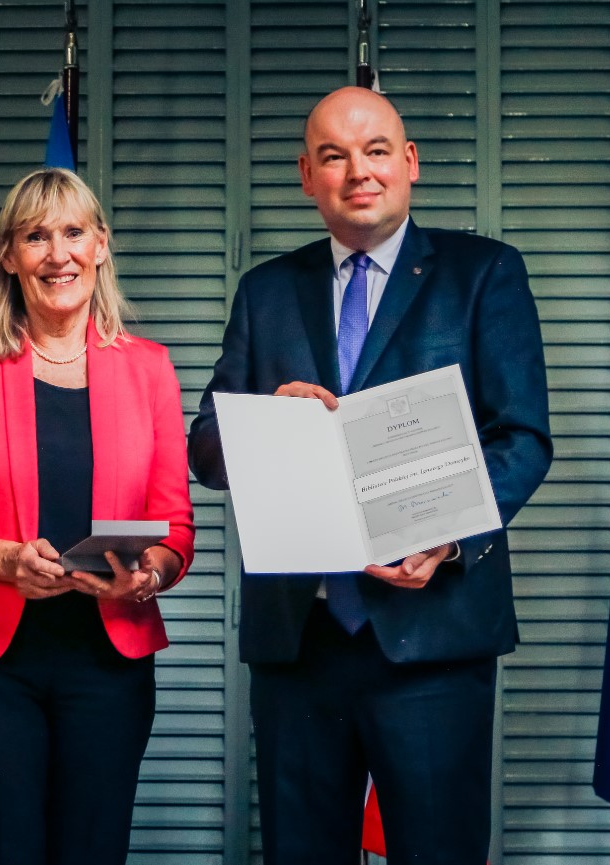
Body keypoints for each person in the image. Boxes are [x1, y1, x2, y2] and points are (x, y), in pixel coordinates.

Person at [189, 86, 553, 864]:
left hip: (434, 634)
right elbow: (206, 450)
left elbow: (521, 437)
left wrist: (446, 537)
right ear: (307, 176)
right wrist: (265, 420)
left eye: (376, 150)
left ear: (409, 161)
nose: (358, 171)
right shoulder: (265, 291)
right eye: (333, 155)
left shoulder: (483, 273)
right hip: (299, 641)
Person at [0, 167, 195, 865]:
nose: (58, 254)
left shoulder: (149, 369)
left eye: (73, 233)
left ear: (100, 246)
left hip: (109, 665)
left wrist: (147, 574)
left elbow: (174, 525)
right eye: (35, 237)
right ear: (9, 256)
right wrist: (5, 561)